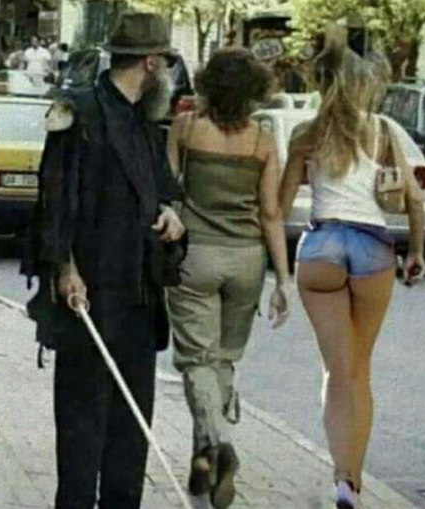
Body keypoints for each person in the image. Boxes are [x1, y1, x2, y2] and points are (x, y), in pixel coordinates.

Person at [22, 11, 184, 509]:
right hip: (89, 298)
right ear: (151, 63)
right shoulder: (81, 113)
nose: (170, 74)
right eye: (166, 64)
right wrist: (64, 268)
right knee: (81, 432)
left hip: (138, 299)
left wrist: (171, 215)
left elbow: (161, 192)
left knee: (130, 436)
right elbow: (53, 199)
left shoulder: (145, 122)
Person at [279, 36, 425, 509]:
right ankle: (352, 484)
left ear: (321, 82)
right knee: (360, 373)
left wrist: (276, 267)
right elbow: (414, 198)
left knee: (335, 372)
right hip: (372, 249)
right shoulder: (383, 130)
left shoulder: (306, 133)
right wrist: (416, 251)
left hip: (321, 247)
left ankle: (339, 475)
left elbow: (279, 206)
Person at [166, 48, 291, 509]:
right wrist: (283, 279)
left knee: (197, 360)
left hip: (195, 257)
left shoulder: (186, 128)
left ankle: (216, 443)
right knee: (222, 361)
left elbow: (167, 191)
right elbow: (271, 213)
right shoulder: (262, 141)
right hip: (247, 261)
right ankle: (204, 463)